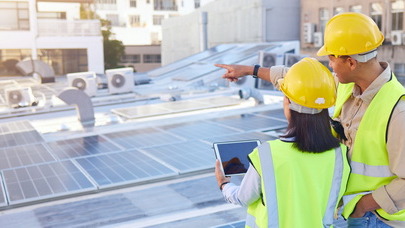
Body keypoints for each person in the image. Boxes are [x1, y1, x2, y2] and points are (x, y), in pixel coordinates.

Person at [215, 12, 405, 228]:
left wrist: (363, 205)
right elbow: (299, 81)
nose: (329, 64)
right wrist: (252, 70)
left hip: (378, 219)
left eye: (332, 58)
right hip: (349, 212)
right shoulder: (345, 83)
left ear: (351, 62)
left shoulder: (397, 111)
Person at [215, 57, 350, 228]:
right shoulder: (340, 154)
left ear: (288, 102)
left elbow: (242, 197)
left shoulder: (267, 154)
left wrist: (223, 184)